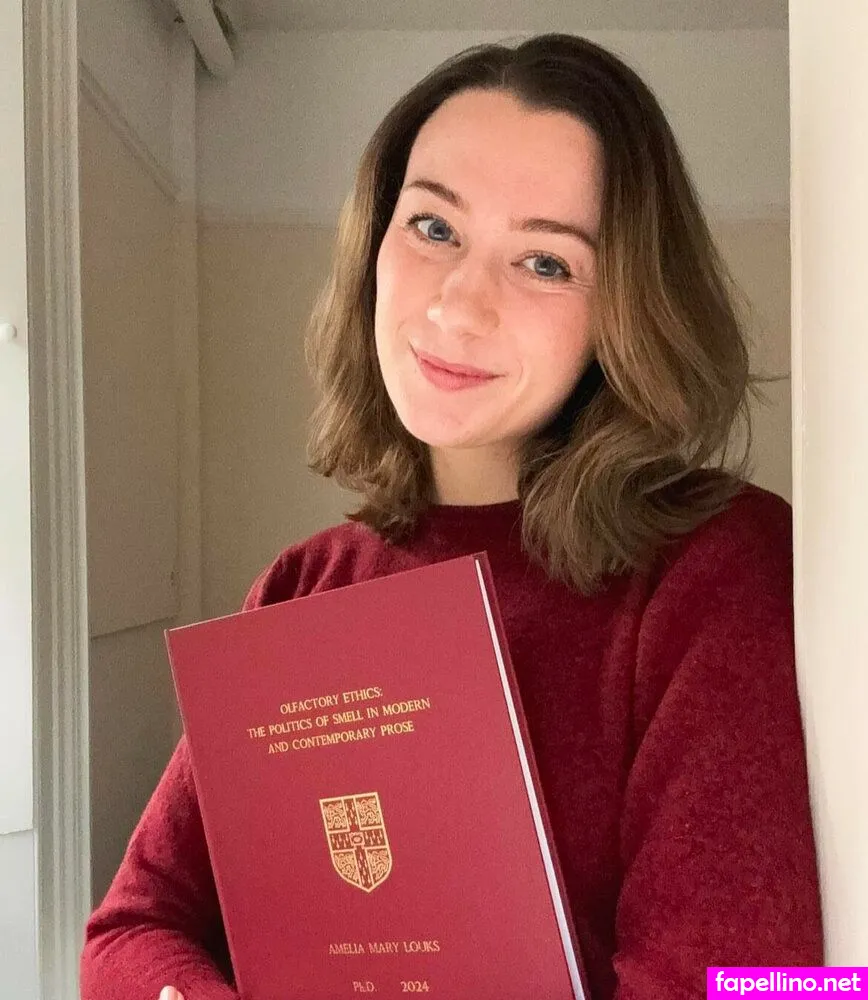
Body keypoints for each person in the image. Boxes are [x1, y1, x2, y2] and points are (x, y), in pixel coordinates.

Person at [80, 33, 823, 1000]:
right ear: (373, 247)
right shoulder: (303, 587)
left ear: (625, 311)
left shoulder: (717, 566)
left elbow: (751, 985)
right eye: (433, 227)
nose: (460, 306)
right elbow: (132, 928)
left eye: (546, 262)